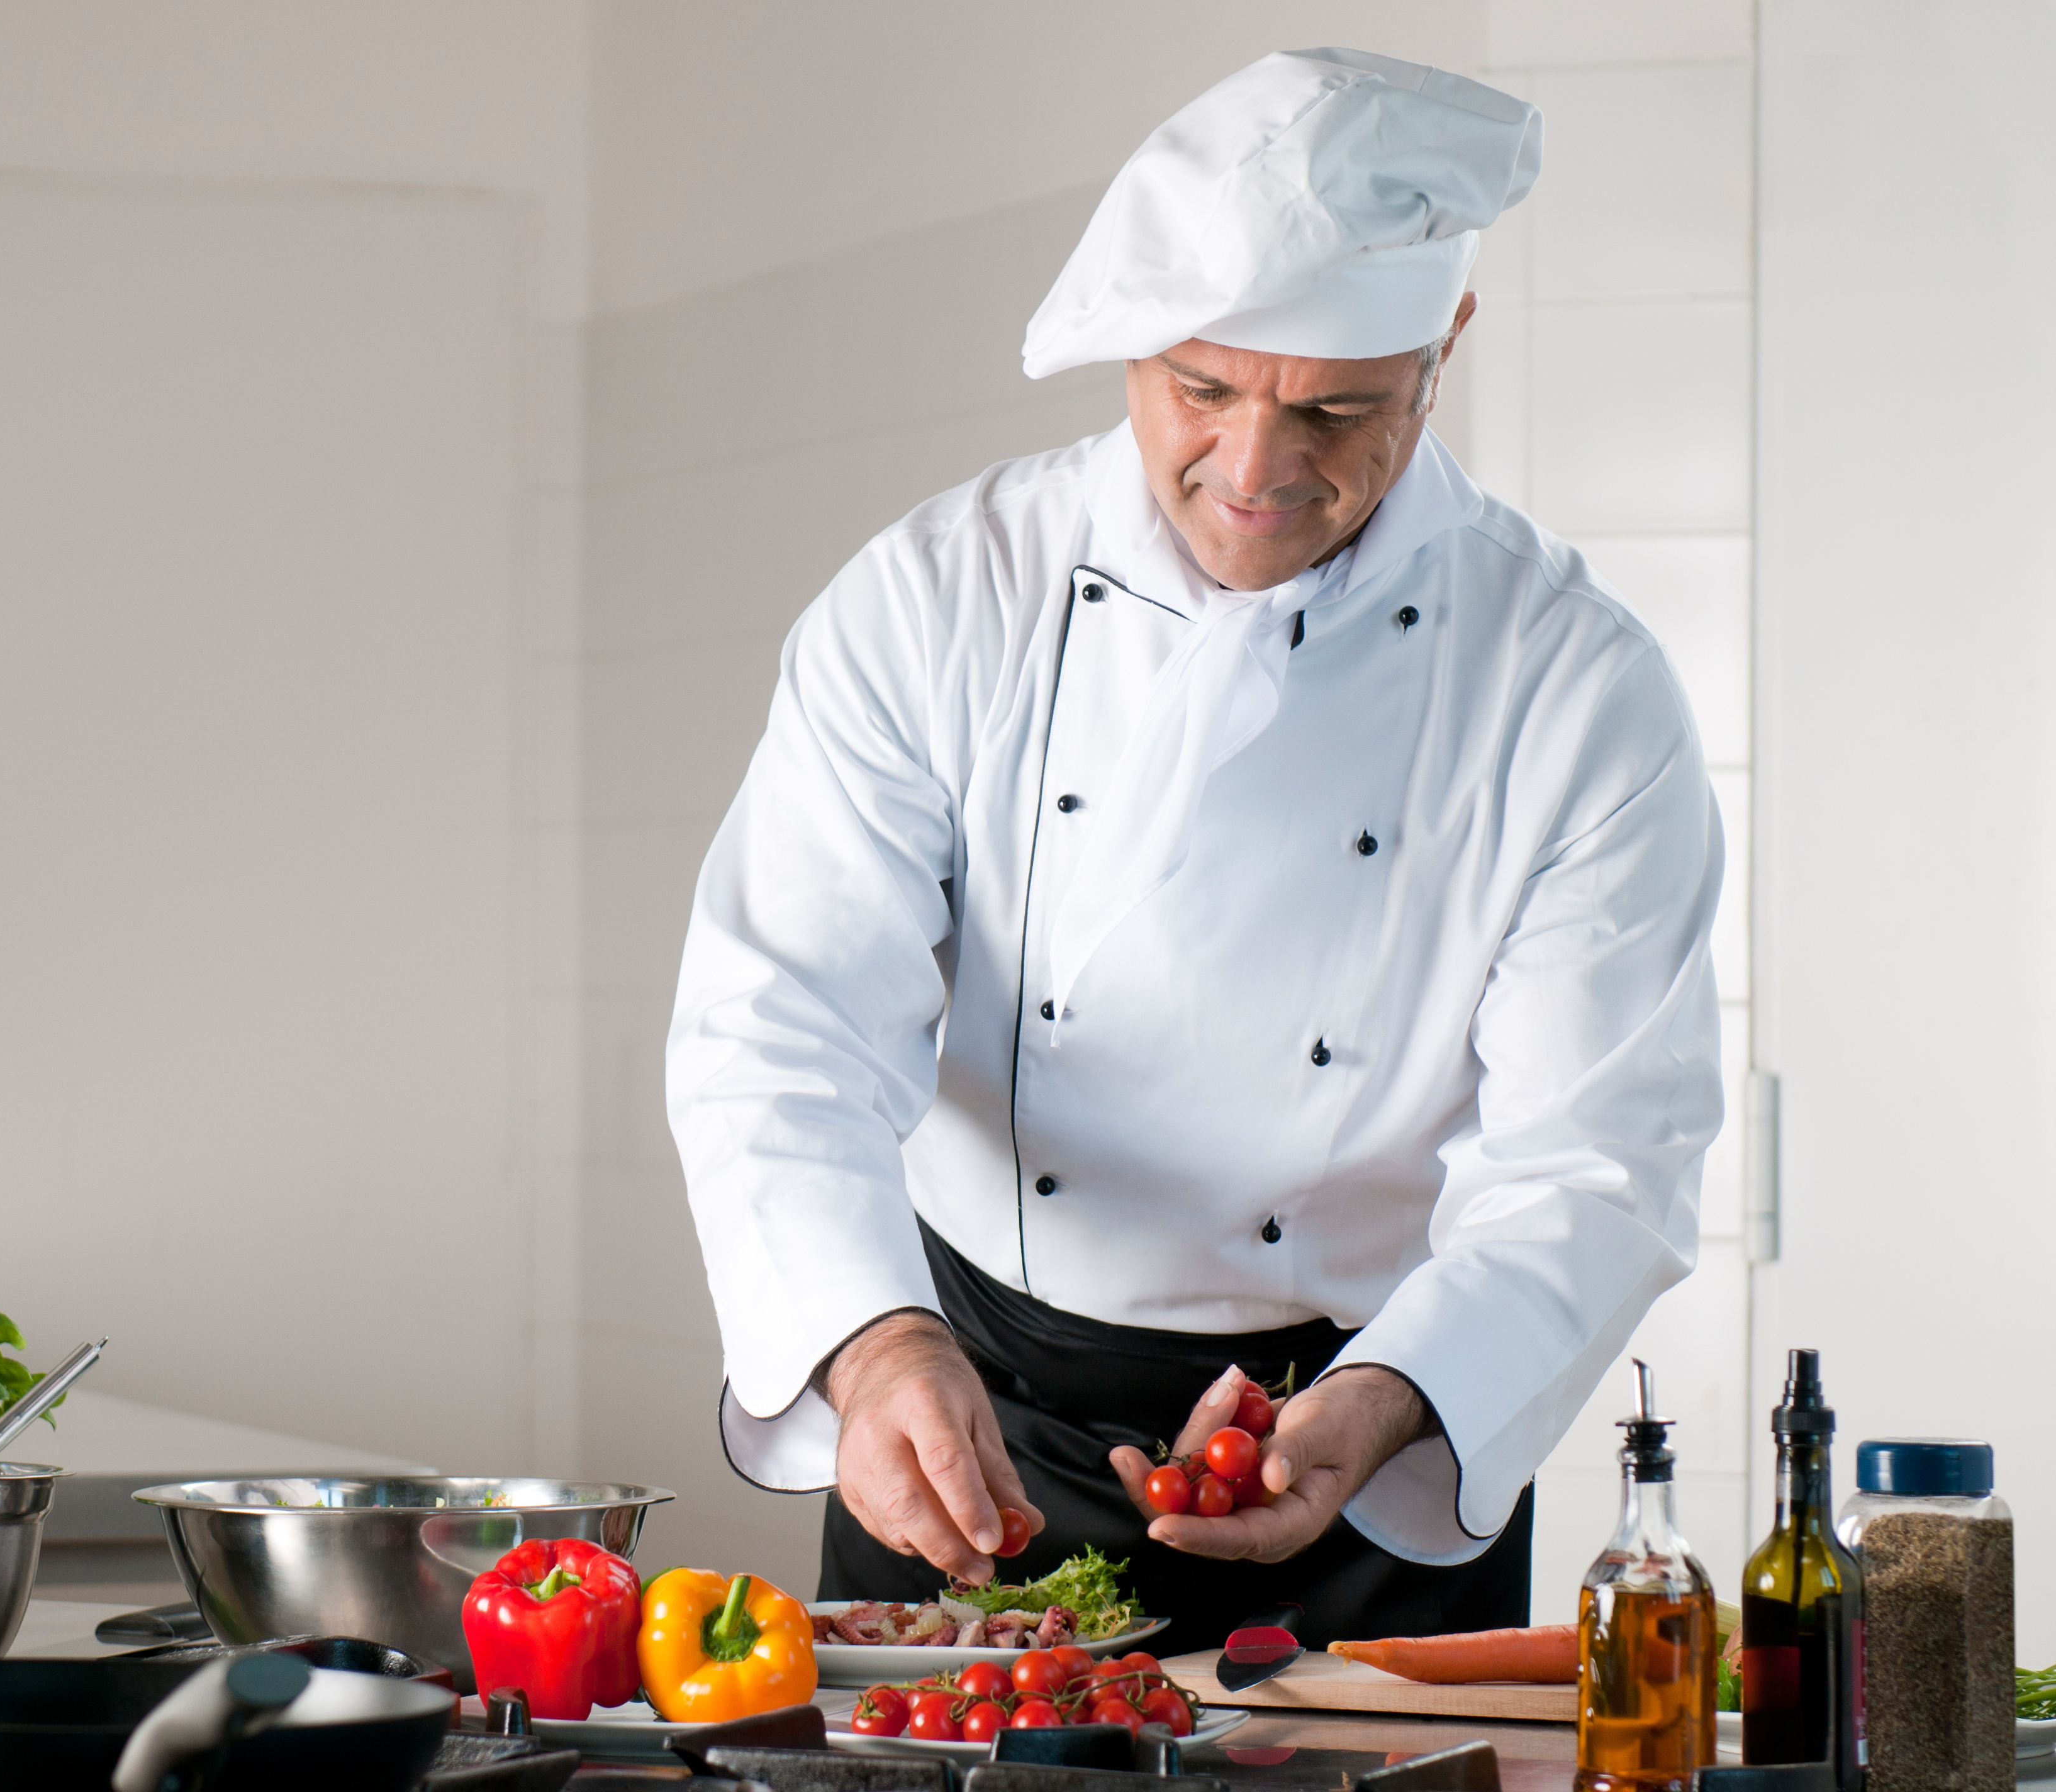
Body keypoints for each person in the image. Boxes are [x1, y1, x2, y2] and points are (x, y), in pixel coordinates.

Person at [664, 47, 1724, 1650]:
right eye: (1203, 390)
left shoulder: (1571, 683)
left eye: (1330, 409)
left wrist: (1377, 1401)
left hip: (1365, 1439)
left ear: (1443, 346)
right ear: (1132, 350)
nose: (1252, 472)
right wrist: (874, 1349)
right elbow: (779, 1020)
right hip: (977, 1415)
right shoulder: (940, 598)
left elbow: (1594, 1157)